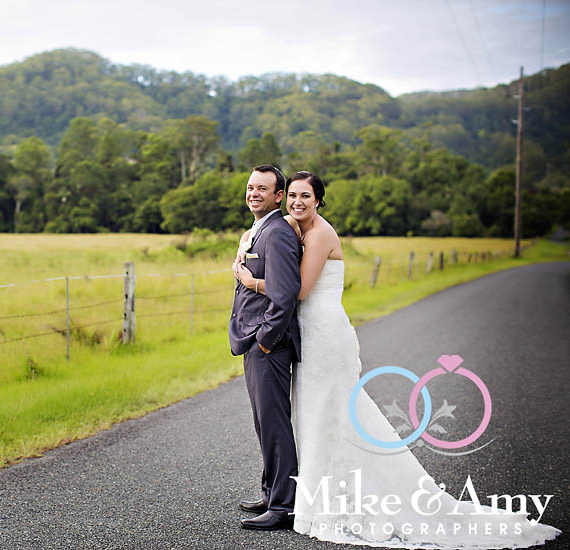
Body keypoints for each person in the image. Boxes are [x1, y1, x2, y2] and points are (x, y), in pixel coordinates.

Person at [232, 171, 561, 547]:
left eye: (305, 196)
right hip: (308, 334)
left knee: (331, 413)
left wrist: (249, 280)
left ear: (319, 200)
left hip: (324, 335)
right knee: (312, 416)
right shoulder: (293, 227)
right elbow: (265, 231)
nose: (297, 202)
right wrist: (248, 240)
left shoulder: (320, 234)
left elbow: (297, 290)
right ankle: (299, 495)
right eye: (292, 195)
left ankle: (297, 501)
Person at [228, 164, 302, 531]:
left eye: (262, 188)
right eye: (250, 187)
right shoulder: (260, 230)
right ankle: (272, 492)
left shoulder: (278, 233)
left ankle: (284, 506)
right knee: (264, 423)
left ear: (278, 195)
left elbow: (285, 294)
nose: (253, 193)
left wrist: (266, 340)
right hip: (254, 341)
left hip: (268, 344)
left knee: (274, 424)